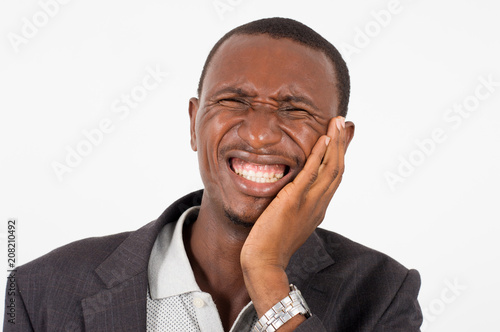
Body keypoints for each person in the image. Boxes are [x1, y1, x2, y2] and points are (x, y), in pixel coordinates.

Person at [4, 17, 423, 331]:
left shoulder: (382, 293)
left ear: (339, 142)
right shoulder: (39, 291)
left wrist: (266, 274)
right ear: (193, 122)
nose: (259, 133)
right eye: (234, 100)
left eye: (294, 109)